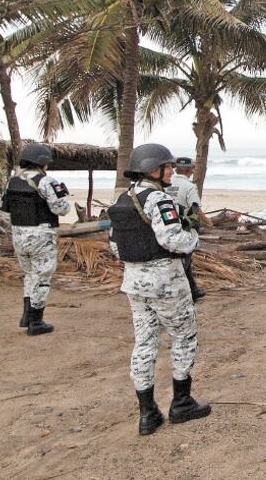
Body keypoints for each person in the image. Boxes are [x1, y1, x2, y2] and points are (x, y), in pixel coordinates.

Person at [107, 143, 211, 436]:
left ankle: (147, 413)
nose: (172, 171)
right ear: (154, 169)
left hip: (134, 282)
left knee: (144, 343)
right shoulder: (159, 200)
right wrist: (192, 233)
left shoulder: (123, 201)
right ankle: (181, 403)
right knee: (183, 337)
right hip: (166, 281)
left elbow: (115, 246)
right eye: (168, 167)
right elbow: (173, 241)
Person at [0, 143, 70, 336]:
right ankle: (36, 321)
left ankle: (26, 316)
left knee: (30, 274)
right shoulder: (46, 182)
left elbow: (4, 213)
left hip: (19, 236)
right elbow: (61, 209)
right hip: (41, 236)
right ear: (43, 162)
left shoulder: (12, 182)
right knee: (42, 277)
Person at [167, 156, 211, 301]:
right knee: (185, 259)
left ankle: (192, 290)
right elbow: (195, 208)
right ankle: (186, 293)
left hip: (166, 224)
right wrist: (207, 222)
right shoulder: (189, 187)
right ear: (189, 170)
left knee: (173, 258)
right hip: (183, 225)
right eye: (192, 168)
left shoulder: (166, 182)